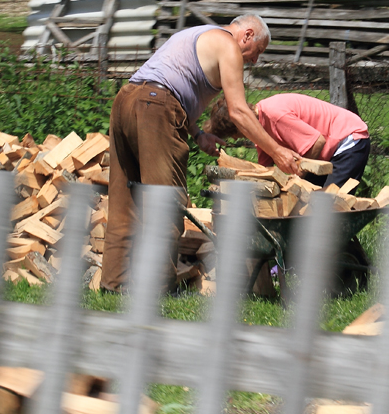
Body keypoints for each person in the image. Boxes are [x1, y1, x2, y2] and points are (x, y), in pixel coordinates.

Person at [103, 15, 302, 292]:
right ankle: (159, 289)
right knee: (164, 202)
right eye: (259, 51)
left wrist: (197, 134)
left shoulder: (197, 34)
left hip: (126, 100)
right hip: (155, 109)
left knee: (125, 200)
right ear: (247, 35)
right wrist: (277, 151)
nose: (255, 61)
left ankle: (114, 283)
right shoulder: (229, 46)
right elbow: (239, 111)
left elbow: (167, 83)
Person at [206, 93, 371, 191]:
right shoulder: (260, 129)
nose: (235, 139)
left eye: (235, 134)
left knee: (328, 206)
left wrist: (297, 177)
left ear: (241, 124)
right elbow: (265, 170)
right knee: (306, 202)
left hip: (347, 141)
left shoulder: (275, 116)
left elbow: (316, 143)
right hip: (325, 154)